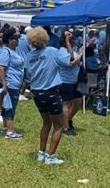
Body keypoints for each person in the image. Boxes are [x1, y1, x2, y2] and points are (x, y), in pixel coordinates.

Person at [25, 27, 71, 165]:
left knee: (46, 123)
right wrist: (68, 43)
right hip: (50, 90)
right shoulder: (51, 51)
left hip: (37, 92)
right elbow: (68, 61)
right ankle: (50, 156)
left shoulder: (29, 56)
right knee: (59, 126)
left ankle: (41, 153)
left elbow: (28, 75)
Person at [0, 29, 24, 139]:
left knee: (8, 105)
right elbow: (1, 68)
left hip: (15, 83)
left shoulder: (13, 52)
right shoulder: (6, 52)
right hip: (10, 84)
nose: (18, 41)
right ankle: (9, 131)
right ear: (9, 40)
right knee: (10, 107)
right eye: (15, 39)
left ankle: (6, 128)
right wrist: (4, 85)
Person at [57, 31, 83, 136]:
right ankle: (65, 127)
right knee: (66, 104)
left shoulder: (72, 50)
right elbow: (71, 62)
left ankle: (68, 119)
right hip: (65, 82)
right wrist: (80, 54)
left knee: (78, 102)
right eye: (71, 39)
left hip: (75, 81)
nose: (73, 41)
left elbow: (77, 62)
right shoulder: (62, 52)